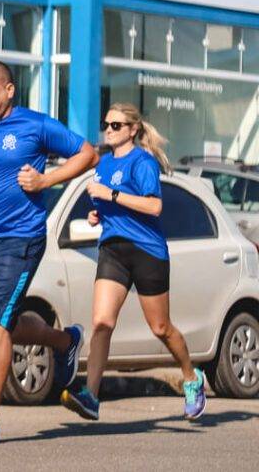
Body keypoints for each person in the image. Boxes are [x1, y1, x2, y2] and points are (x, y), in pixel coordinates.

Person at [0, 61, 98, 444]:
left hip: (23, 238)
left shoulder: (35, 125)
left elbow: (87, 154)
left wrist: (46, 179)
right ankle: (66, 342)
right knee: (6, 324)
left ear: (9, 90)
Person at [61, 103, 206, 421]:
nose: (108, 130)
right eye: (106, 124)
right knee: (101, 323)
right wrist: (97, 213)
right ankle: (92, 396)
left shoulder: (143, 162)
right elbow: (107, 205)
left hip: (147, 251)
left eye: (115, 125)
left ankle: (192, 379)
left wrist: (110, 195)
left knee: (161, 327)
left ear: (132, 130)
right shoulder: (104, 164)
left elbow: (154, 207)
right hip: (113, 249)